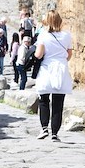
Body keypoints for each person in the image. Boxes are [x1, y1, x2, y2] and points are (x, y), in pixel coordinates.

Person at [34, 10, 73, 142]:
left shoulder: (43, 36)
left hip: (46, 68)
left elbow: (38, 54)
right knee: (58, 102)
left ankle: (44, 128)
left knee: (43, 99)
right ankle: (55, 133)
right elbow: (69, 55)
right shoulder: (67, 36)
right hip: (61, 69)